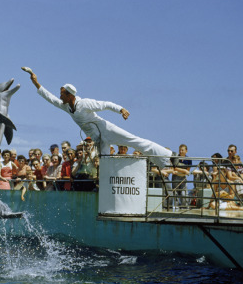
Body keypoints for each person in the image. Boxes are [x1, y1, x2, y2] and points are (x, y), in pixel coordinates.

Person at [24, 68, 172, 168]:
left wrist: (121, 109)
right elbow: (50, 98)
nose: (60, 95)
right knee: (105, 164)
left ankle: (168, 157)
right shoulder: (66, 106)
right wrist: (35, 81)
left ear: (70, 95)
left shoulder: (84, 103)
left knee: (134, 141)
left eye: (62, 93)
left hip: (107, 130)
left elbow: (105, 104)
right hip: (98, 139)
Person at [170, 144, 192, 208]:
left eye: (182, 150)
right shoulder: (176, 158)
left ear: (186, 151)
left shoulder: (189, 159)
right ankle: (176, 206)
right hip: (176, 177)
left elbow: (188, 170)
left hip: (183, 177)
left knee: (184, 192)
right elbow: (174, 168)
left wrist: (183, 171)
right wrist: (184, 170)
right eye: (180, 150)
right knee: (175, 192)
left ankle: (184, 206)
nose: (181, 151)